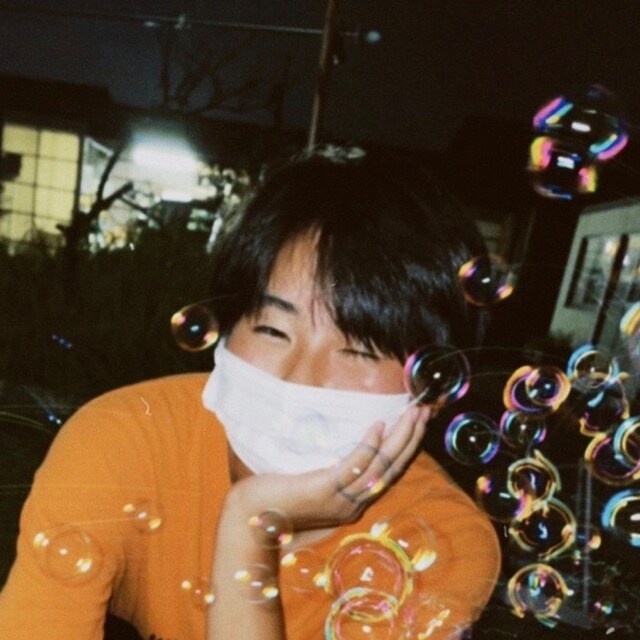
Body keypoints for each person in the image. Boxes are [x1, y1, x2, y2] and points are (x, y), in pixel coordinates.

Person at [0, 146, 501, 640]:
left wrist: (251, 526)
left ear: (435, 385)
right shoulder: (123, 440)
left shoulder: (445, 541)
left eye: (359, 351)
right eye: (272, 330)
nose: (300, 378)